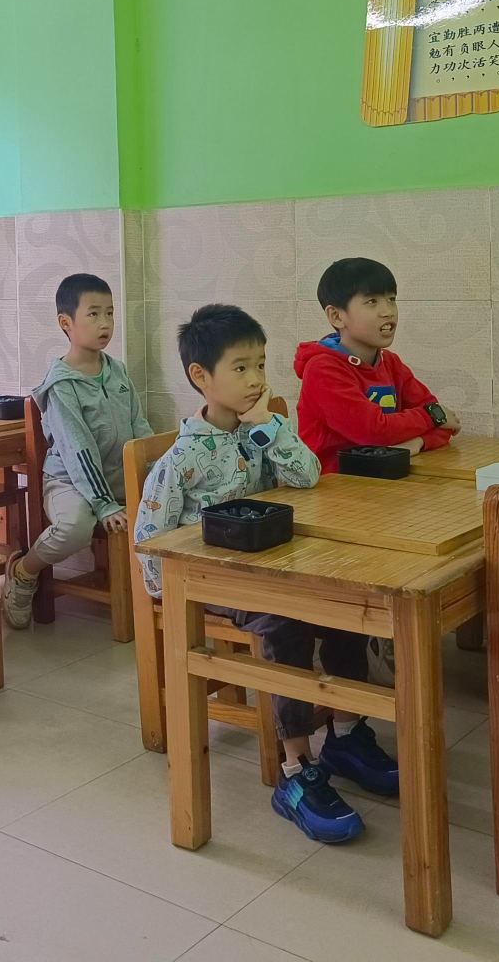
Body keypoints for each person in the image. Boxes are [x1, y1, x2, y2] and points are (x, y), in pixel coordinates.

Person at [134, 303, 400, 845]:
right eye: (240, 367)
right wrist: (173, 593)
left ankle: (346, 734)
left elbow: (306, 476)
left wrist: (270, 429)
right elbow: (149, 539)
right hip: (215, 584)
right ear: (200, 376)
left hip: (276, 569)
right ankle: (296, 769)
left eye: (260, 364)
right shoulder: (181, 459)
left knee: (343, 606)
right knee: (286, 622)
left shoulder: (263, 429)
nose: (256, 378)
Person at [3, 274, 151, 627]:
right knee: (75, 529)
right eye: (94, 314)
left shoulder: (117, 372)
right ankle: (24, 571)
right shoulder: (61, 384)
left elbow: (140, 429)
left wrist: (158, 475)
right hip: (70, 481)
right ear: (65, 323)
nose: (105, 323)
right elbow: (77, 450)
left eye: (110, 313)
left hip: (115, 477)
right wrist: (104, 504)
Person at [294, 257, 459, 474]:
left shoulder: (391, 363)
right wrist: (430, 417)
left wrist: (417, 442)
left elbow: (446, 423)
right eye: (372, 301)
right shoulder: (323, 370)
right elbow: (373, 432)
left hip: (382, 479)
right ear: (336, 316)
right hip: (330, 485)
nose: (388, 311)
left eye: (391, 299)